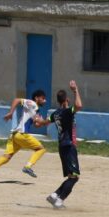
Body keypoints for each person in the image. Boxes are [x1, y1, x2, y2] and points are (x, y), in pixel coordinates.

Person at [0, 90, 50, 184]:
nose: (45, 100)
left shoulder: (35, 110)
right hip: (22, 134)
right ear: (36, 98)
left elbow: (37, 124)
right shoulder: (32, 103)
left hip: (15, 135)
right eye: (43, 98)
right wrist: (11, 112)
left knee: (6, 157)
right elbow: (17, 100)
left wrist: (45, 122)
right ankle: (28, 166)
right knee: (41, 149)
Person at [45, 80, 83, 209]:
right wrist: (75, 90)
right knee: (74, 177)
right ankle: (59, 200)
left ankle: (54, 195)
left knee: (71, 176)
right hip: (69, 145)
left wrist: (38, 122)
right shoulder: (67, 111)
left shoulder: (55, 114)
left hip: (62, 146)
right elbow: (79, 106)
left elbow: (45, 122)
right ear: (66, 100)